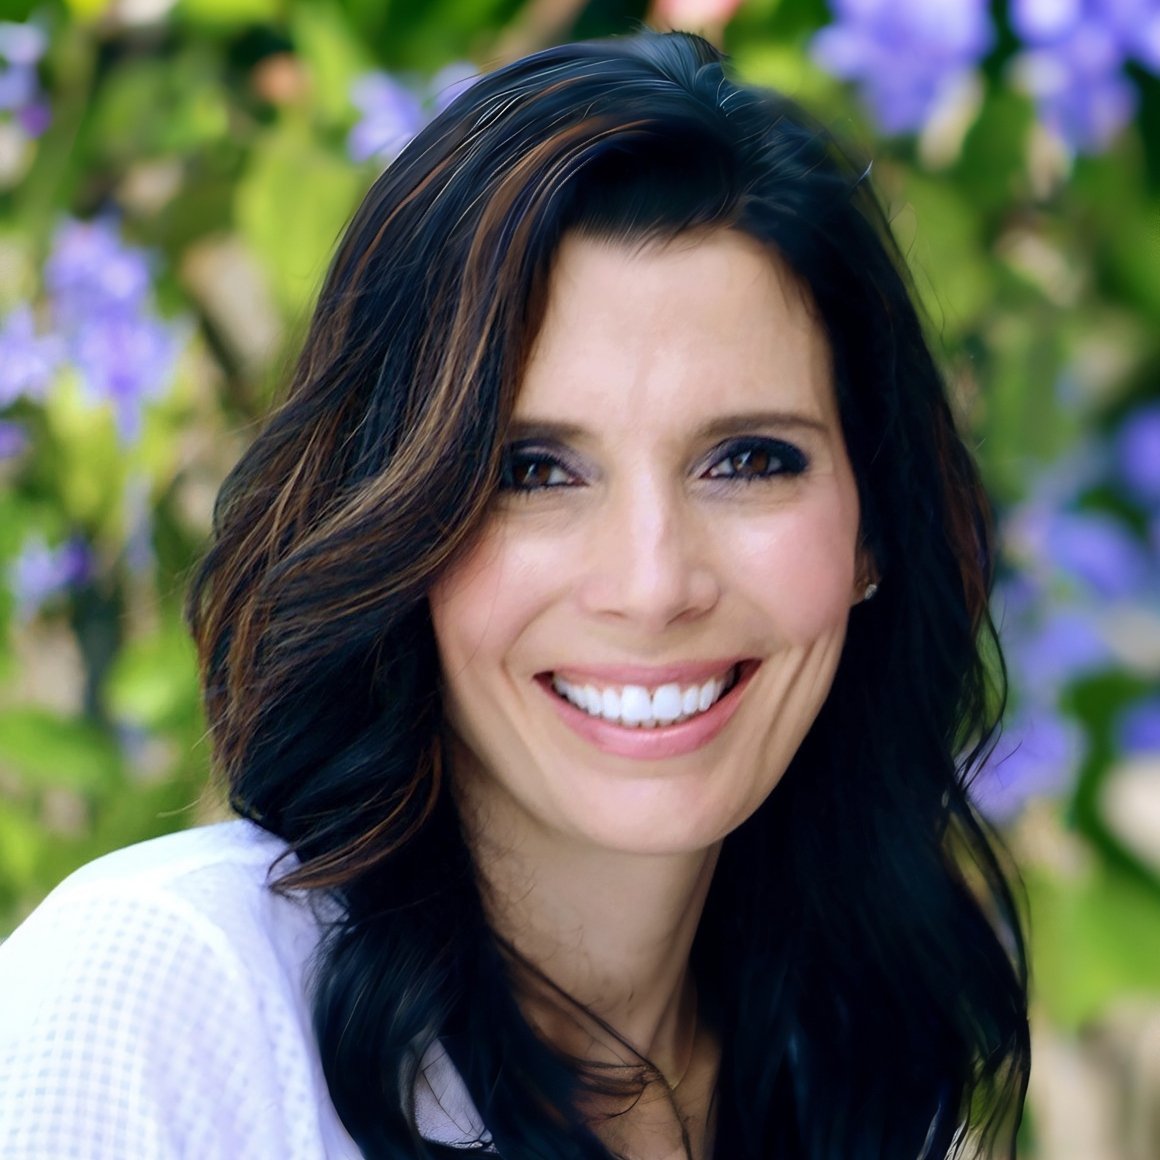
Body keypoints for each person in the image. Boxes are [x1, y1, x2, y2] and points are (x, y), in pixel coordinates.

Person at [0, 28, 1030, 1160]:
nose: (652, 584)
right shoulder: (166, 998)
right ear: (395, 519)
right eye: (532, 471)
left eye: (745, 459)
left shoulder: (863, 1071)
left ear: (872, 526)